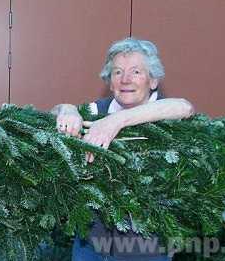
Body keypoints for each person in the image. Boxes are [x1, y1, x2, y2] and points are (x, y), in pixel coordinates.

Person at [52, 37, 195, 261]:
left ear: (153, 80)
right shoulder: (97, 110)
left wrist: (115, 121)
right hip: (91, 243)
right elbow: (55, 111)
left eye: (136, 72)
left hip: (146, 247)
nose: (126, 79)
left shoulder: (166, 113)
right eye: (117, 72)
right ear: (110, 82)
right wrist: (68, 109)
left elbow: (185, 107)